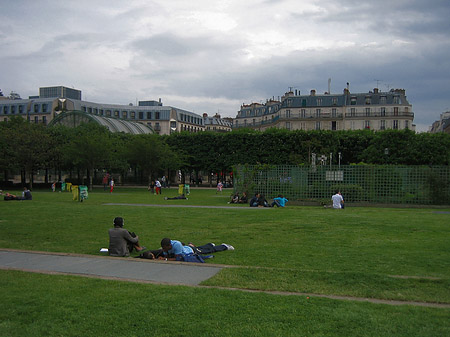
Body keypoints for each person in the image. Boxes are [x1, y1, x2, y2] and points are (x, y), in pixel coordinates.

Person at [159, 238, 234, 261]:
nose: (163, 249)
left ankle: (224, 246)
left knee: (206, 251)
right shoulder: (166, 247)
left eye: (165, 248)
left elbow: (177, 258)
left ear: (169, 245)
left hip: (190, 251)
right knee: (200, 248)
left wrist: (165, 259)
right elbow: (168, 255)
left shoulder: (177, 245)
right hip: (188, 248)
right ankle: (210, 244)